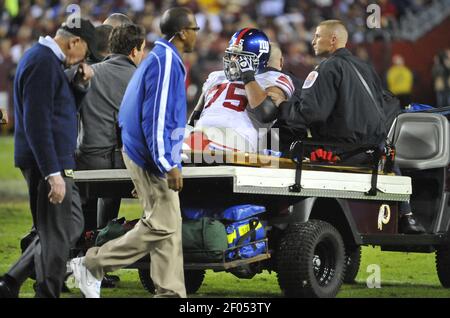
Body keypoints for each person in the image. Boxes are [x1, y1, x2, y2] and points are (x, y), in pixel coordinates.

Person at [69, 7, 199, 298]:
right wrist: (168, 163)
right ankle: (92, 263)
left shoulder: (159, 57)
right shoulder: (166, 61)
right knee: (161, 225)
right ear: (181, 32)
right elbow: (156, 118)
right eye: (194, 28)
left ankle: (171, 292)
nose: (197, 34)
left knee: (169, 226)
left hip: (141, 151)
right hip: (152, 156)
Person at [270, 20, 425, 234]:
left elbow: (310, 114)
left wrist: (282, 106)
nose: (312, 40)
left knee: (286, 144)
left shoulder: (326, 68)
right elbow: (387, 104)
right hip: (374, 151)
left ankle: (275, 219)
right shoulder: (365, 67)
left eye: (317, 36)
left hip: (341, 152)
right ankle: (406, 214)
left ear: (333, 40)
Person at [0, 18, 97, 298]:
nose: (85, 59)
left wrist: (79, 87)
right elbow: (37, 122)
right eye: (87, 52)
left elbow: (61, 113)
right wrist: (52, 172)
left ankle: (12, 280)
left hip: (54, 156)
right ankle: (46, 291)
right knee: (57, 231)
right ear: (75, 42)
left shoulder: (47, 61)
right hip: (49, 159)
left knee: (68, 225)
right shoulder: (43, 62)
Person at [76, 23, 146, 230]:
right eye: (142, 50)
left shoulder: (88, 73)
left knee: (84, 226)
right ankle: (103, 241)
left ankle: (85, 245)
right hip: (122, 166)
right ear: (134, 51)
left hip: (84, 160)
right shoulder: (140, 79)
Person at [186, 29, 294, 154]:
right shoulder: (216, 76)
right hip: (202, 134)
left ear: (258, 59)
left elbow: (266, 114)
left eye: (240, 56)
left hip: (239, 138)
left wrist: (247, 76)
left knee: (194, 142)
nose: (233, 59)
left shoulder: (272, 78)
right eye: (231, 54)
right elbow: (194, 119)